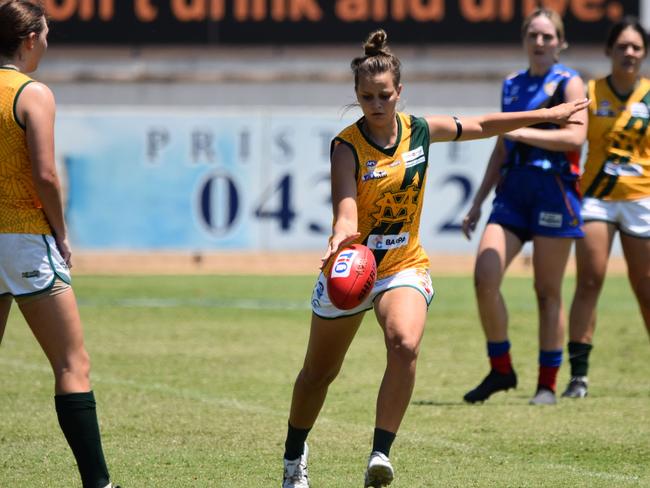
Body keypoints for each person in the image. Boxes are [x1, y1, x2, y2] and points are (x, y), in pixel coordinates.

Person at [281, 29, 588, 488]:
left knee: (404, 342)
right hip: (353, 266)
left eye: (385, 95)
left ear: (399, 93)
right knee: (318, 374)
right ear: (356, 96)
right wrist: (341, 236)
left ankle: (379, 455)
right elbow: (346, 209)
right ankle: (293, 457)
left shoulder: (419, 130)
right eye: (367, 97)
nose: (377, 104)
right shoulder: (346, 146)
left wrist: (547, 114)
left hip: (403, 264)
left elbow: (483, 125)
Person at [0, 2, 118, 487]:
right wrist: (61, 233)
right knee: (73, 363)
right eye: (45, 35)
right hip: (25, 237)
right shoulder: (33, 94)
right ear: (30, 39)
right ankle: (98, 482)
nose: (47, 44)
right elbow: (46, 174)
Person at [461, 8, 588, 406]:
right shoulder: (512, 85)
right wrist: (479, 201)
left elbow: (575, 139)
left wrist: (522, 131)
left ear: (560, 42)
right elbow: (502, 145)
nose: (539, 42)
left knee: (547, 291)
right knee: (485, 276)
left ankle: (547, 383)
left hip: (553, 191)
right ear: (524, 39)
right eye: (533, 34)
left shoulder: (570, 82)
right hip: (512, 194)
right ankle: (502, 369)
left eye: (548, 36)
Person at [562, 18, 650, 399]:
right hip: (596, 198)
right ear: (609, 51)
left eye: (636, 47)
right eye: (622, 46)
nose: (629, 53)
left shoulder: (649, 95)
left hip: (641, 199)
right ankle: (578, 376)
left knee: (645, 287)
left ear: (644, 54)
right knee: (590, 281)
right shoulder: (592, 92)